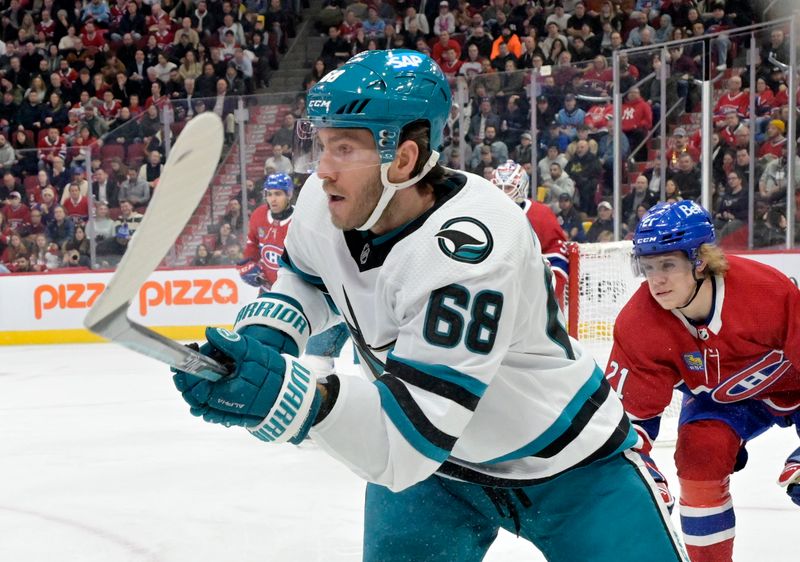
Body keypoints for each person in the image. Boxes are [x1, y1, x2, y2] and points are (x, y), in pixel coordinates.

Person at [172, 49, 687, 562]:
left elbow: (404, 444)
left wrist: (288, 394)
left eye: (345, 148)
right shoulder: (322, 202)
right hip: (438, 477)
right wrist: (269, 335)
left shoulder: (473, 248)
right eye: (322, 144)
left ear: (404, 159)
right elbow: (307, 279)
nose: (323, 170)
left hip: (567, 465)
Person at [606, 200, 800, 562]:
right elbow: (628, 423)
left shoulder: (767, 292)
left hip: (795, 387)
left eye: (667, 264)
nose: (655, 280)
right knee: (698, 460)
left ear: (701, 260)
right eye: (647, 267)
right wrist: (641, 474)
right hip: (721, 401)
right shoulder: (638, 324)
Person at [238, 171, 350, 376]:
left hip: (308, 294)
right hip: (270, 292)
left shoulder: (303, 218)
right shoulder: (258, 216)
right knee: (262, 349)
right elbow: (252, 245)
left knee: (317, 360)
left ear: (289, 195)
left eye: (278, 193)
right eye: (269, 193)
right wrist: (246, 265)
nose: (273, 198)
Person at [491, 160, 568, 309]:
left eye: (508, 187)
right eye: (498, 187)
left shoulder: (540, 215)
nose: (502, 193)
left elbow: (558, 257)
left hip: (531, 297)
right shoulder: (484, 213)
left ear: (522, 187)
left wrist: (548, 289)